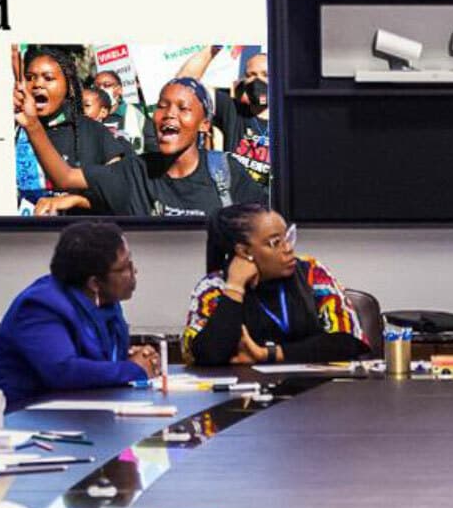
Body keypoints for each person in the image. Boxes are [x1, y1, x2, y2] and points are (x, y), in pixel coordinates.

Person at [0, 221, 159, 403]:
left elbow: (97, 361)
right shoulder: (40, 306)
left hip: (75, 413)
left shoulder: (107, 306)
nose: (134, 271)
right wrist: (132, 369)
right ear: (95, 283)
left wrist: (130, 358)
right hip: (12, 417)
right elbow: (63, 371)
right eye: (124, 267)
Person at [183, 205, 369, 367]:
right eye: (275, 243)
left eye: (288, 237)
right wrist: (235, 287)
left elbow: (349, 341)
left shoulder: (312, 272)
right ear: (245, 251)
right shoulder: (214, 288)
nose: (288, 248)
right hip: (242, 399)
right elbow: (206, 355)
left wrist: (266, 354)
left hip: (314, 397)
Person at [98, 78, 264, 218]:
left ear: (205, 125)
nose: (169, 114)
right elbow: (77, 180)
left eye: (183, 108)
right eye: (162, 106)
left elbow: (265, 224)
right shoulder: (136, 170)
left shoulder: (226, 170)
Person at [13, 43, 128, 216]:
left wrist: (75, 200)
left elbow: (119, 194)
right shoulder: (15, 130)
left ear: (68, 85)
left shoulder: (95, 133)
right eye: (29, 78)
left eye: (48, 78)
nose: (37, 84)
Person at [213, 45, 273, 184]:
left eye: (265, 74)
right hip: (239, 201)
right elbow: (186, 88)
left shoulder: (290, 119)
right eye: (251, 75)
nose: (257, 81)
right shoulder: (233, 110)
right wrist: (212, 49)